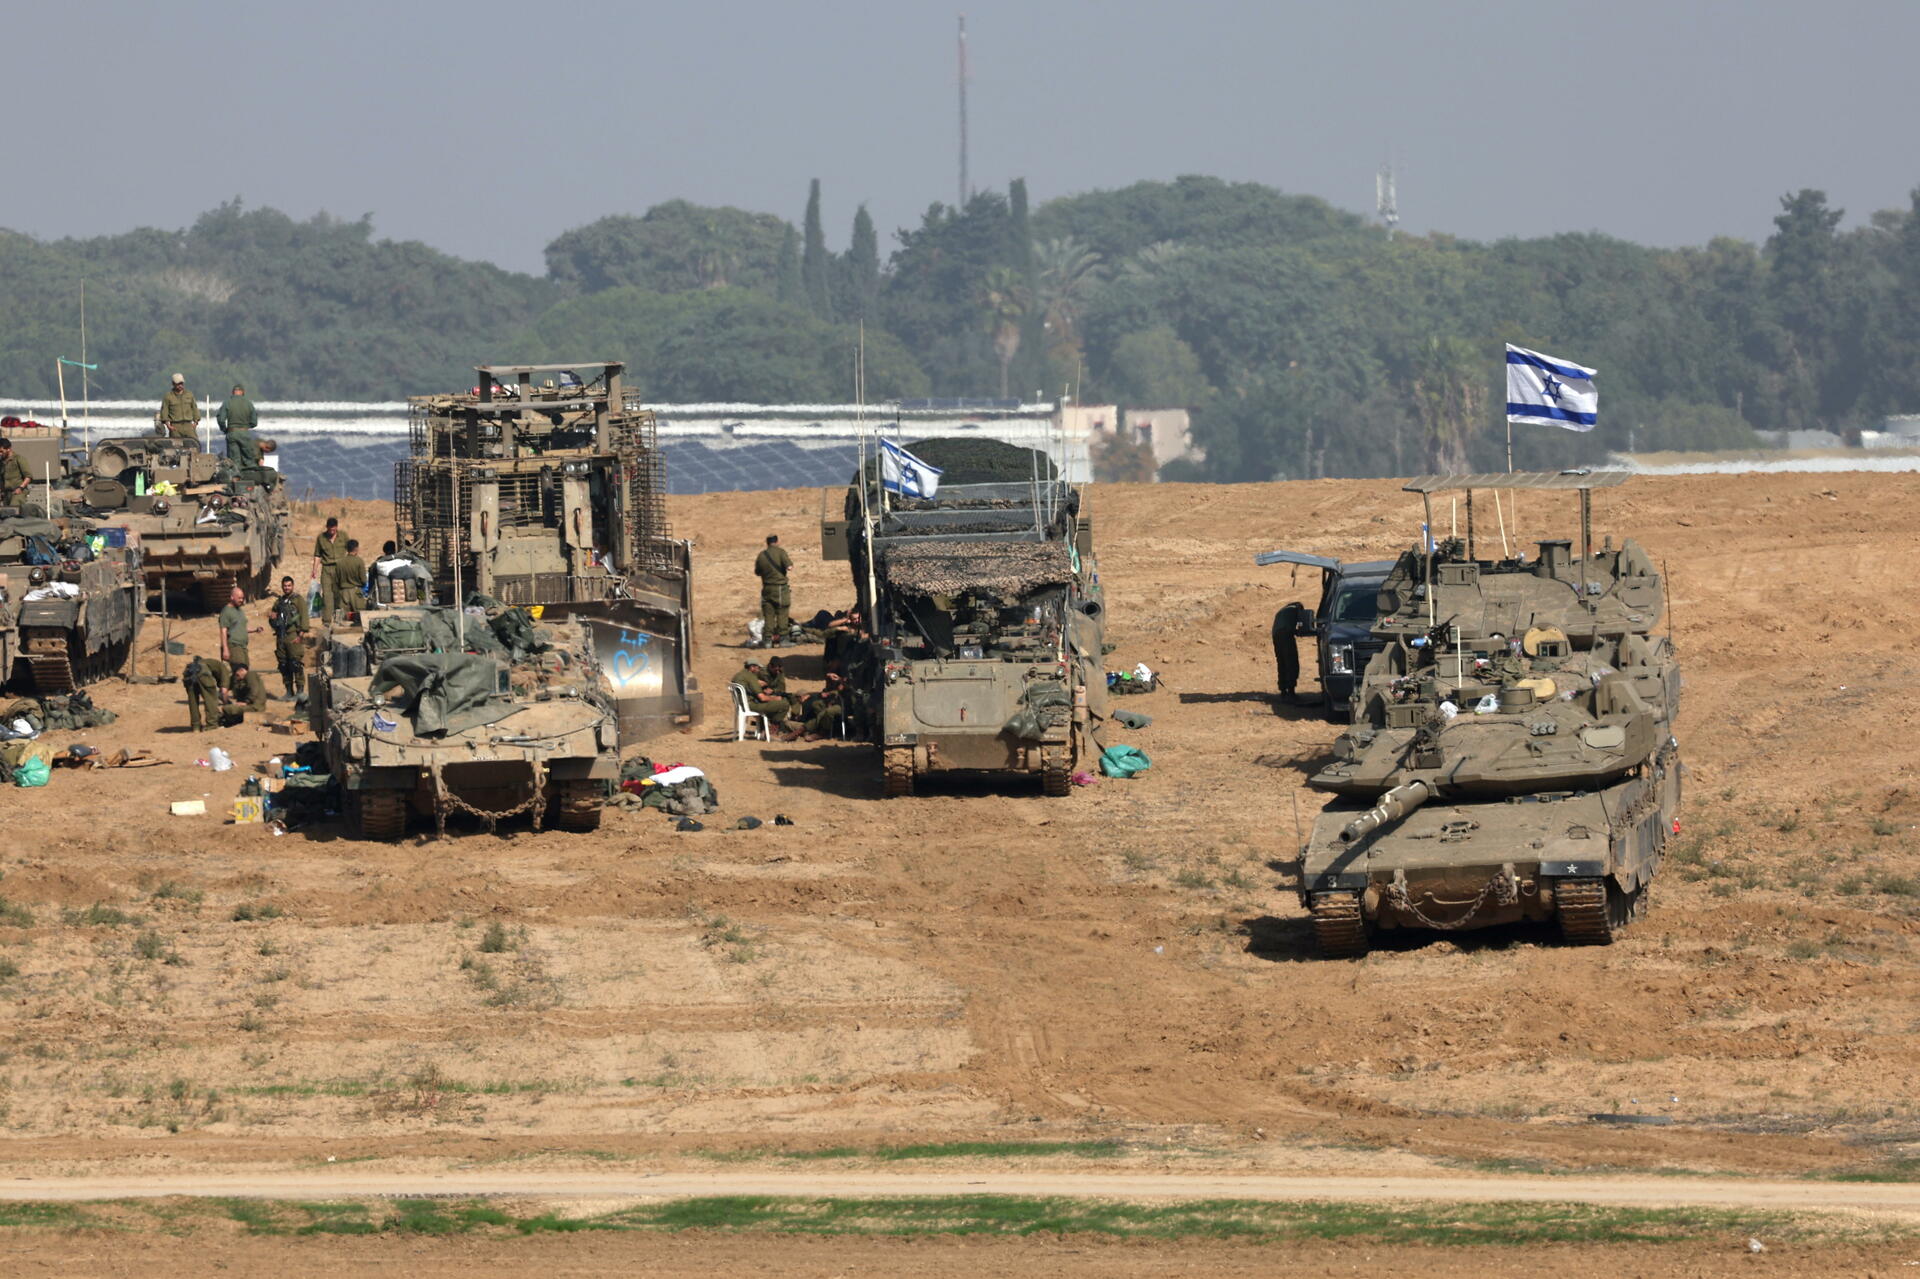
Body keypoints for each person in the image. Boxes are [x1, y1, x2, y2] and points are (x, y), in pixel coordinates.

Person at [731, 659, 798, 734]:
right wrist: (775, 698)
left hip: (742, 704)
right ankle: (772, 729)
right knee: (784, 704)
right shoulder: (751, 677)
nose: (759, 669)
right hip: (751, 705)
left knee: (778, 703)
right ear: (752, 667)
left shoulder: (738, 675)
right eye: (758, 667)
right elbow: (762, 698)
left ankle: (767, 726)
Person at [269, 575, 309, 699]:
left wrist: (300, 635)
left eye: (289, 585)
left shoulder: (298, 600)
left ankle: (300, 691)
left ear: (292, 586)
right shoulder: (279, 602)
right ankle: (288, 691)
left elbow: (304, 617)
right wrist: (272, 618)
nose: (287, 588)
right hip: (281, 636)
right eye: (285, 586)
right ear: (282, 587)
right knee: (283, 664)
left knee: (295, 663)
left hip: (293, 635)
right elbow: (273, 616)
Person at [753, 534, 793, 647]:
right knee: (782, 612)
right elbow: (789, 567)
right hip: (780, 588)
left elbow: (757, 572)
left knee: (768, 615)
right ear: (777, 541)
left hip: (766, 588)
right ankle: (784, 640)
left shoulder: (761, 555)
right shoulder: (780, 552)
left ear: (767, 543)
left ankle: (767, 641)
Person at [1272, 600, 1310, 702]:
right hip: (1286, 635)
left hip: (1276, 636)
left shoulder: (1281, 611)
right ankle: (1291, 691)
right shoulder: (1295, 610)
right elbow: (1298, 626)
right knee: (1291, 662)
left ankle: (1283, 691)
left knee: (1281, 662)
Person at [217, 584, 261, 671]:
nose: (241, 600)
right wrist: (225, 649)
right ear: (232, 597)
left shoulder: (240, 611)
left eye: (242, 598)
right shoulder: (226, 611)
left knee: (245, 671)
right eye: (239, 598)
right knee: (240, 671)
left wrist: (255, 630)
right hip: (234, 646)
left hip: (243, 647)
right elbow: (223, 631)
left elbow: (242, 628)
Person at [183, 655, 231, 732]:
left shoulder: (209, 662)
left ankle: (196, 726)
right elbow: (224, 690)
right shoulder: (224, 668)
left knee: (193, 701)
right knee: (210, 699)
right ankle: (212, 725)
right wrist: (226, 704)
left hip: (189, 672)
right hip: (202, 672)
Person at [311, 517, 345, 622]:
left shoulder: (343, 536)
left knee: (339, 594)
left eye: (334, 529)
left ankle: (339, 619)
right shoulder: (321, 538)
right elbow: (317, 555)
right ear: (327, 527)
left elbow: (351, 550)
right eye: (330, 529)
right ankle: (327, 620)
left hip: (340, 569)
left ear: (337, 527)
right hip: (326, 569)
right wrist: (314, 570)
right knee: (327, 595)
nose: (332, 532)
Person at [157, 373, 200, 442]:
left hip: (188, 425)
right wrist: (168, 425)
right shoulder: (168, 396)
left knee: (194, 443)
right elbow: (164, 411)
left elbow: (194, 408)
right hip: (175, 426)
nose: (180, 385)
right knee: (176, 445)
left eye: (181, 383)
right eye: (178, 384)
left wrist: (195, 422)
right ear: (173, 384)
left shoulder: (189, 394)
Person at [337, 539, 369, 620]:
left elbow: (337, 580)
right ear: (356, 548)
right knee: (359, 618)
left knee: (344, 618)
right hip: (356, 592)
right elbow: (364, 580)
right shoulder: (359, 561)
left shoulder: (340, 562)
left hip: (343, 592)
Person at [0, 437, 29, 507]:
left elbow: (28, 476)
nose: (0, 454)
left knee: (14, 508)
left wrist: (21, 488)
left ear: (8, 449)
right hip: (6, 493)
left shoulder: (18, 459)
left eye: (1, 451)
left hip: (18, 492)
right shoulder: (1, 462)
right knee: (5, 511)